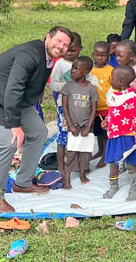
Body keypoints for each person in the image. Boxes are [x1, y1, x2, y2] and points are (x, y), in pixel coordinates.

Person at [0, 26, 72, 212]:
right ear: (47, 37)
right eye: (59, 41)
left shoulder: (46, 57)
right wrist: (15, 124)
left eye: (66, 45)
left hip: (14, 101)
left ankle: (22, 182)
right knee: (8, 143)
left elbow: (30, 86)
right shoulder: (29, 54)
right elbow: (14, 87)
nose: (61, 46)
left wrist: (29, 110)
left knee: (38, 131)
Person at [102, 66, 136, 201]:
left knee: (131, 164)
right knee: (113, 162)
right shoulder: (113, 95)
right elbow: (112, 112)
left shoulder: (133, 97)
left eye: (112, 77)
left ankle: (133, 188)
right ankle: (113, 186)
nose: (110, 79)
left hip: (128, 136)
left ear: (120, 82)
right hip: (114, 135)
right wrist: (107, 121)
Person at [60, 56, 98, 189]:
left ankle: (82, 174)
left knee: (85, 152)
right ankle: (67, 179)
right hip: (73, 126)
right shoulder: (68, 86)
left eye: (77, 69)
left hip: (87, 126)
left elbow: (94, 109)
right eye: (72, 68)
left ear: (86, 72)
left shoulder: (92, 89)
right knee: (70, 152)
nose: (73, 71)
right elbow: (64, 107)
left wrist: (88, 126)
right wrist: (71, 125)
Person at [48, 32, 82, 178]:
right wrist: (68, 86)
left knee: (79, 135)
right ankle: (62, 166)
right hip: (65, 106)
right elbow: (53, 84)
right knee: (63, 137)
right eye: (67, 50)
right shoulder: (60, 64)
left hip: (80, 106)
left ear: (80, 49)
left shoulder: (82, 63)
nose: (69, 53)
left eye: (73, 50)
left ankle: (78, 165)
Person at [90, 41, 113, 169]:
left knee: (105, 133)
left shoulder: (111, 70)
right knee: (98, 132)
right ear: (93, 54)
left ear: (108, 56)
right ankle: (99, 150)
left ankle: (105, 154)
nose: (100, 58)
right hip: (94, 107)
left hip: (106, 107)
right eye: (97, 55)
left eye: (103, 55)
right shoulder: (89, 70)